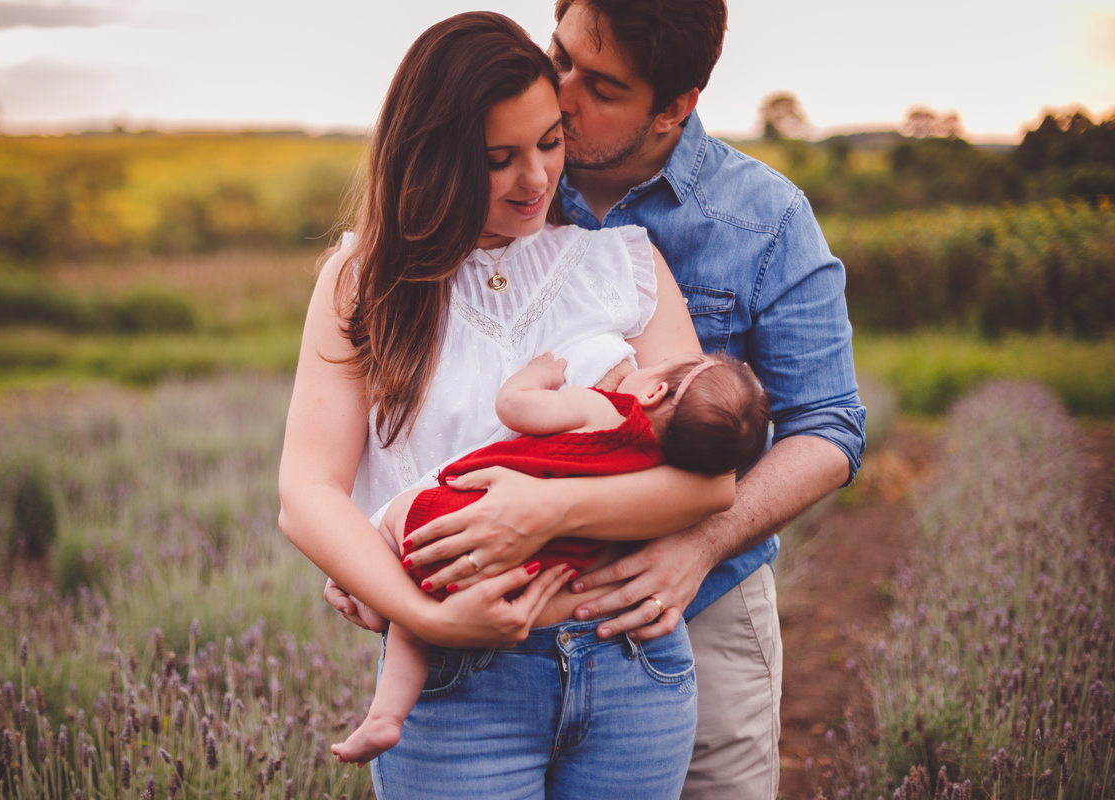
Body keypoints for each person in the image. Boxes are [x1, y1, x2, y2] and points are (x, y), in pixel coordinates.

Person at [347, 2, 867, 798]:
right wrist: (375, 541)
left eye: (600, 85)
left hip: (690, 608)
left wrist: (699, 542)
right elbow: (428, 391)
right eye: (560, 57)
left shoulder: (763, 219)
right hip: (494, 621)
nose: (560, 93)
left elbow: (829, 426)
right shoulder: (504, 180)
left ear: (675, 106)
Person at [279, 12, 740, 798]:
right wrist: (425, 620)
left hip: (630, 665)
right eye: (499, 158)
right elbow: (307, 494)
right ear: (433, 157)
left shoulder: (623, 265)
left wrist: (548, 513)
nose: (535, 179)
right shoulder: (364, 283)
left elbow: (709, 484)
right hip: (455, 686)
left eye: (550, 142)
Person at [332, 350, 771, 765]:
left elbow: (514, 406)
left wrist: (541, 374)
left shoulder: (606, 410)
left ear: (654, 392)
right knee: (417, 627)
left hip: (461, 522)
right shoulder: (658, 481)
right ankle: (385, 717)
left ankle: (380, 663)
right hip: (528, 573)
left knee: (394, 527)